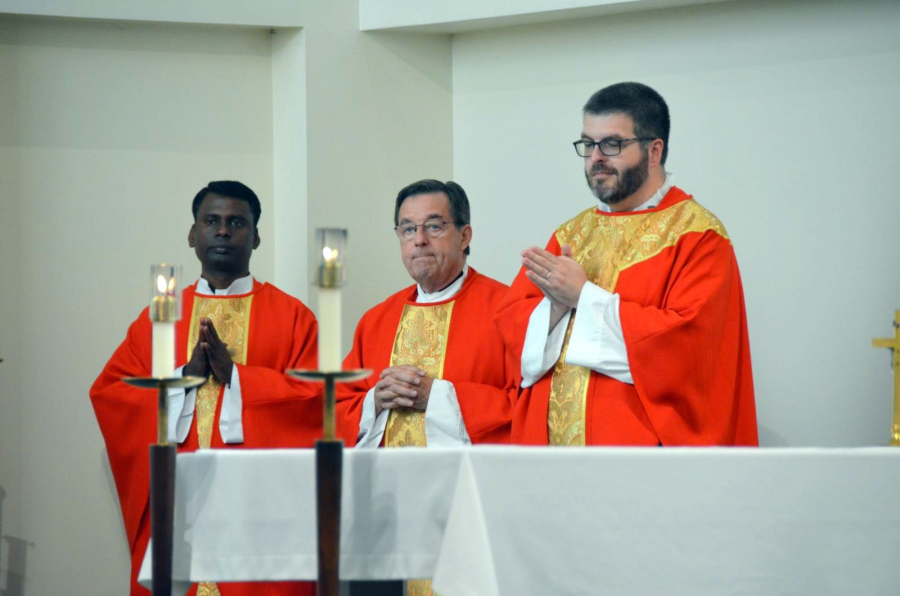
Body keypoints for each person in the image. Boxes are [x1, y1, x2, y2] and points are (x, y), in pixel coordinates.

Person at [494, 82, 758, 446]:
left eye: (612, 144)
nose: (596, 157)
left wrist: (582, 297)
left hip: (636, 459)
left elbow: (688, 354)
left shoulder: (697, 236)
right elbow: (512, 337)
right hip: (547, 456)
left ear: (654, 150)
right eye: (588, 144)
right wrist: (553, 308)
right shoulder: (572, 233)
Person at [91, 181, 319, 595]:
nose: (223, 231)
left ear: (256, 236)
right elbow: (112, 395)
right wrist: (183, 379)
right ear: (193, 234)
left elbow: (318, 408)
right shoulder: (161, 316)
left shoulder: (292, 317)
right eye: (211, 221)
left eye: (237, 222)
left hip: (259, 510)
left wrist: (238, 377)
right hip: (181, 502)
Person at [337, 179, 515, 451]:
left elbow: (528, 406)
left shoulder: (508, 309)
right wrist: (375, 400)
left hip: (466, 483)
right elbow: (337, 409)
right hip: (387, 486)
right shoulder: (376, 321)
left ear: (464, 236)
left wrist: (437, 397)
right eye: (408, 229)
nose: (419, 240)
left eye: (434, 227)